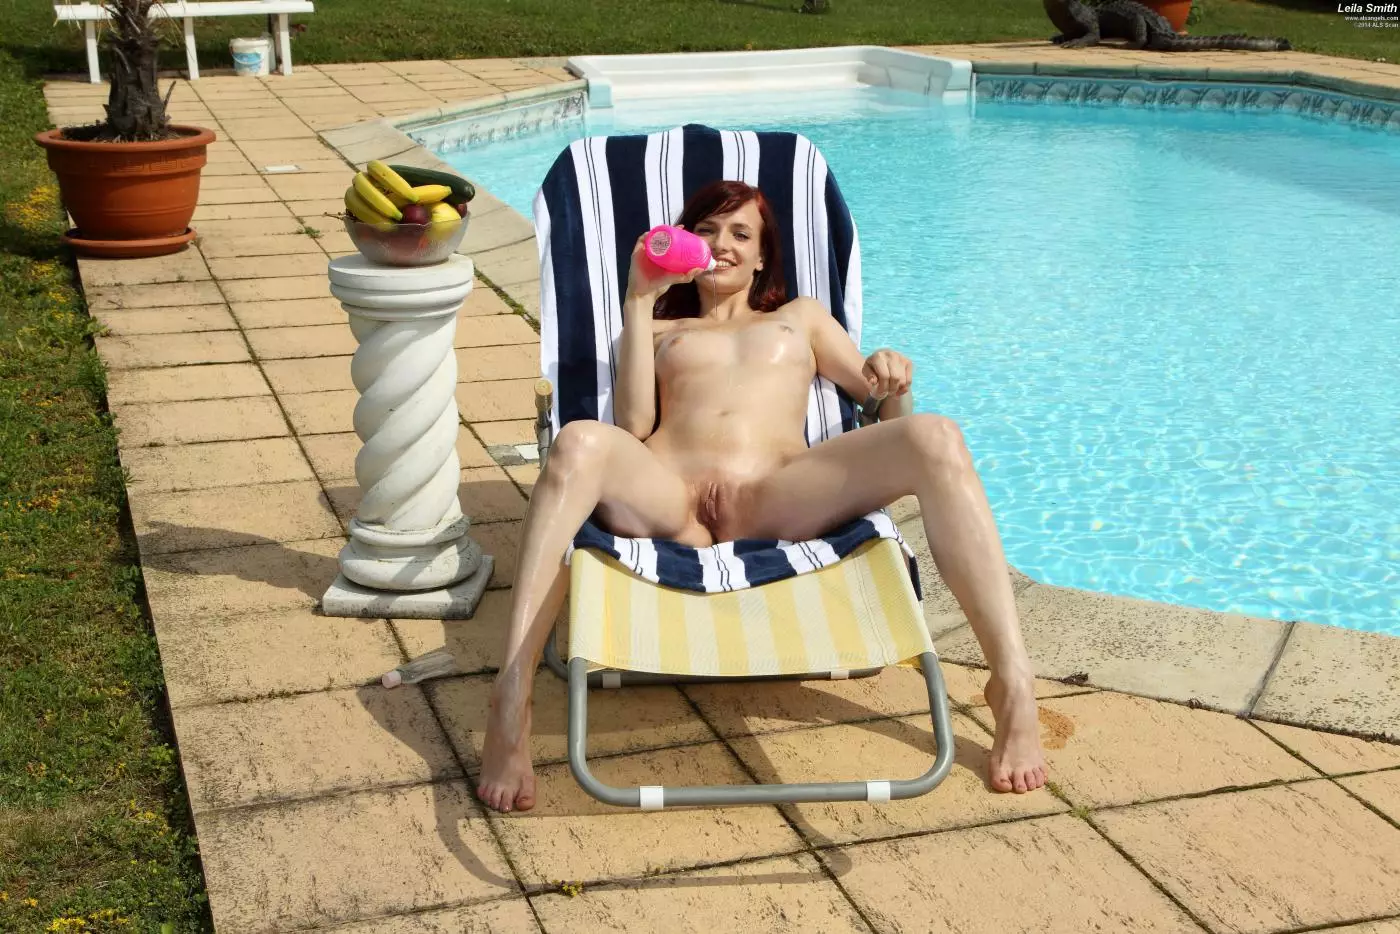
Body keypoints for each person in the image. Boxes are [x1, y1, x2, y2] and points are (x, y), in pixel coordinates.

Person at [478, 180, 1047, 813]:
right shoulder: (660, 326)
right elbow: (634, 425)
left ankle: (1011, 680)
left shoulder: (801, 318)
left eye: (740, 233)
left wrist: (893, 380)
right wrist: (639, 299)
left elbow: (882, 409)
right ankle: (513, 693)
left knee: (936, 437)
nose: (722, 244)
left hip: (775, 499)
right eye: (707, 231)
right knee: (579, 440)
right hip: (670, 502)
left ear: (761, 256)